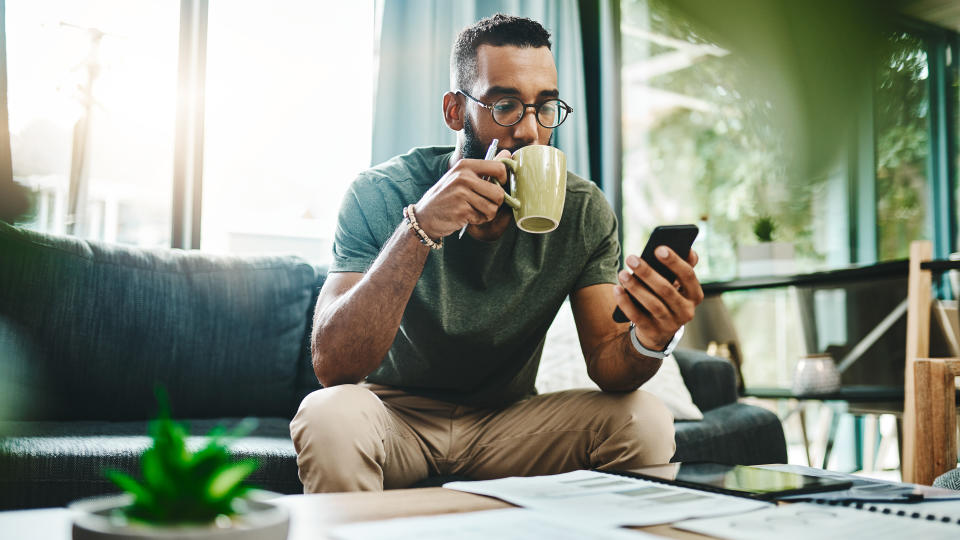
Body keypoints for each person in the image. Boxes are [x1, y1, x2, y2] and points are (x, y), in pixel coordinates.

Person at [290, 13, 703, 493]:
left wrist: (651, 337)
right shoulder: (379, 193)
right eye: (505, 105)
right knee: (328, 415)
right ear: (454, 111)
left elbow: (610, 368)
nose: (529, 131)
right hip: (393, 418)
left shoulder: (583, 210)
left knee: (644, 419)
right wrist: (419, 228)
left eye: (545, 107)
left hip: (509, 426)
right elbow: (333, 366)